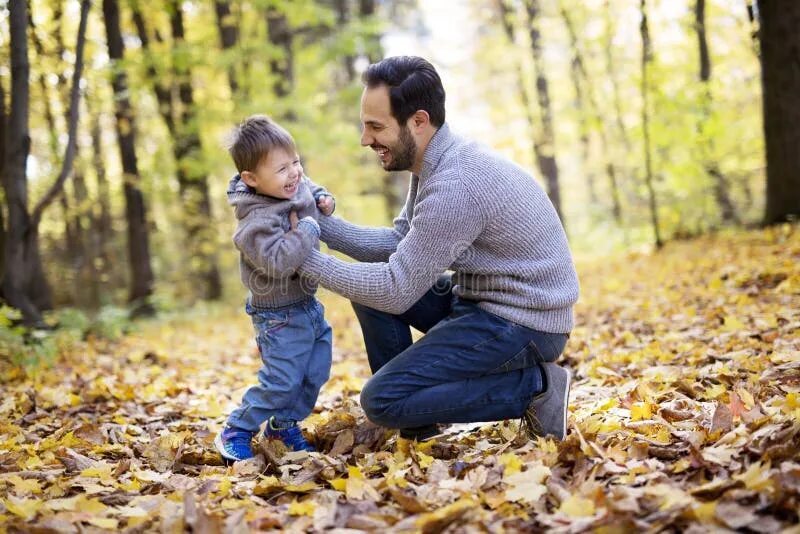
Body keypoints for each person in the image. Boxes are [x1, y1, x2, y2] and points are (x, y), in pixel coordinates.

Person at [296, 56, 579, 442]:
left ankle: (536, 386)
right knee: (370, 291)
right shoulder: (434, 162)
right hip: (484, 301)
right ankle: (418, 426)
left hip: (524, 323)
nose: (365, 139)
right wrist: (318, 223)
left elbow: (397, 290)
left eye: (376, 127)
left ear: (418, 121)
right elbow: (397, 245)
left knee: (381, 401)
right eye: (365, 126)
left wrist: (307, 260)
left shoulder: (455, 184)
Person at [215, 115, 336, 461]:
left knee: (316, 370)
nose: (294, 173)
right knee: (281, 380)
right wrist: (309, 229)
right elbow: (278, 262)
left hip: (307, 305)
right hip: (278, 317)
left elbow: (308, 186)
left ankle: (283, 425)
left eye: (295, 162)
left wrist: (323, 196)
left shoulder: (291, 185)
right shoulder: (254, 223)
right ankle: (236, 429)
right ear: (251, 179)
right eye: (282, 169)